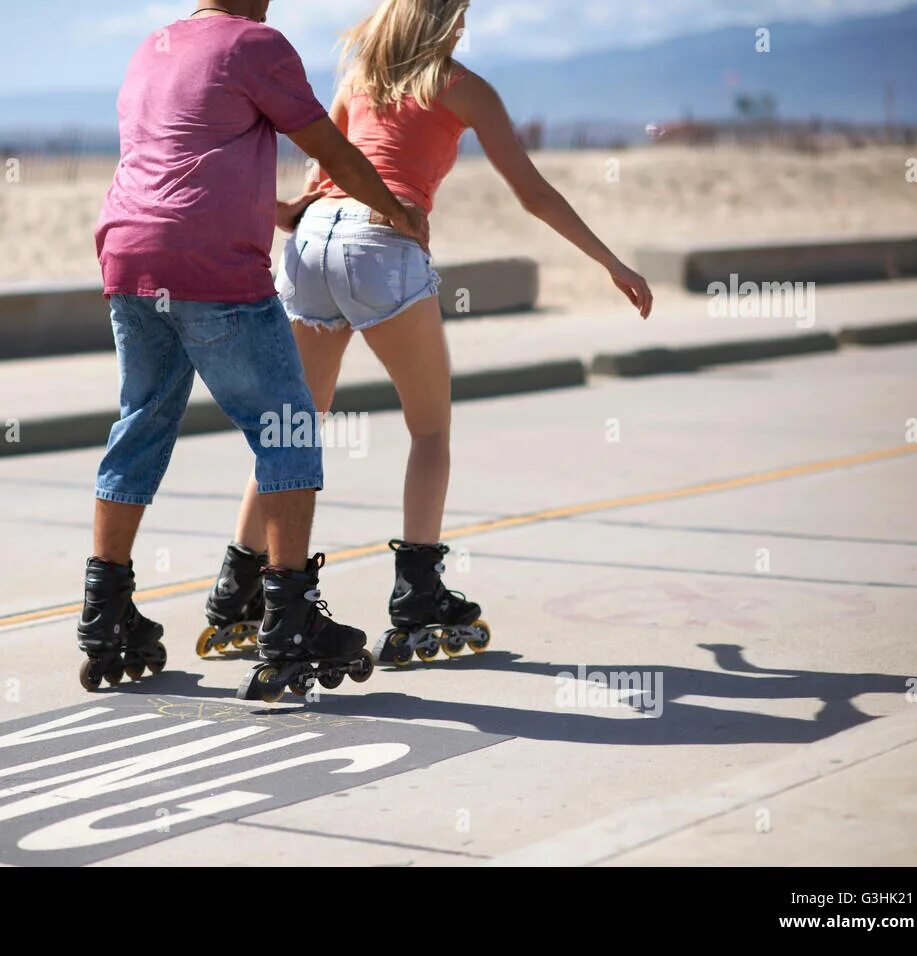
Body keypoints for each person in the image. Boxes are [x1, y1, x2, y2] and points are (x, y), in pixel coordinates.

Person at [206, 0, 653, 666]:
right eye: (461, 15)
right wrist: (610, 260)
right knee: (430, 430)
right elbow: (530, 191)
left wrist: (291, 213)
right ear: (441, 22)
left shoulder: (356, 78)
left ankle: (238, 592)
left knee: (293, 430)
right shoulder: (464, 88)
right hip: (379, 244)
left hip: (313, 242)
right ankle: (417, 598)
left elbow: (316, 179)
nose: (466, 27)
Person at [77, 0, 430, 699]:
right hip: (212, 272)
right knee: (288, 429)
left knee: (142, 421)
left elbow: (176, 164)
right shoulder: (256, 45)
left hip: (130, 256)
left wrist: (278, 214)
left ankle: (104, 612)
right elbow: (331, 148)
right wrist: (398, 211)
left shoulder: (152, 48)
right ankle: (290, 618)